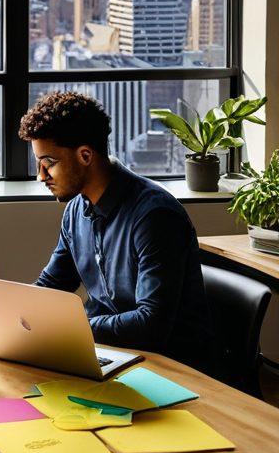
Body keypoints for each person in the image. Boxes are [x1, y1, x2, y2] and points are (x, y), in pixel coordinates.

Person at [21, 90, 215, 371]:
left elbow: (152, 324)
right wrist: (16, 316)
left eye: (48, 163)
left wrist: (72, 327)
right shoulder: (76, 212)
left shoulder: (155, 216)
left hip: (170, 366)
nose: (41, 176)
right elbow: (50, 288)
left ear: (85, 155)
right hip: (112, 353)